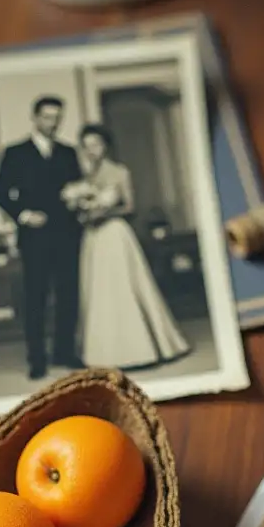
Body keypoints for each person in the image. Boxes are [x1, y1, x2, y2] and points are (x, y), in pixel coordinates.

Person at [67, 123, 190, 369]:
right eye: (87, 146)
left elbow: (130, 207)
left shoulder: (119, 172)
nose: (92, 150)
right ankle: (105, 353)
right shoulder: (86, 177)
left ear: (106, 146)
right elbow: (79, 206)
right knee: (98, 291)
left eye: (97, 144)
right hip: (93, 238)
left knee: (122, 288)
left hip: (114, 234)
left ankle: (138, 349)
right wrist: (84, 213)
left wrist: (106, 212)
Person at [0, 95, 83, 380]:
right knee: (36, 298)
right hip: (34, 238)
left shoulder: (68, 152)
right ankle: (37, 359)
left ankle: (64, 352)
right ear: (34, 117)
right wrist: (23, 214)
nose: (53, 123)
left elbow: (77, 188)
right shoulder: (15, 152)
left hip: (68, 234)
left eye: (57, 118)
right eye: (47, 117)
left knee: (68, 294)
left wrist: (79, 199)